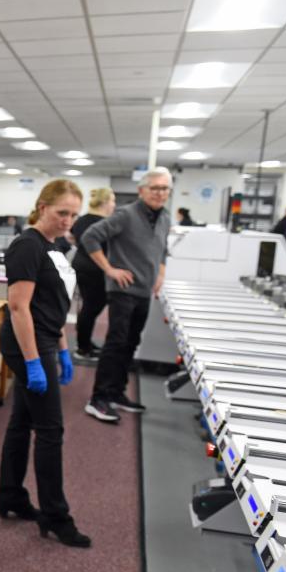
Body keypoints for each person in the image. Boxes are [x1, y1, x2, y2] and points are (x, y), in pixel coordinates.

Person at [0, 179, 90, 548]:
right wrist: (35, 361)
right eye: (62, 212)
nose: (68, 220)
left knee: (23, 422)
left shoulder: (55, 247)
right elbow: (19, 308)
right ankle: (56, 516)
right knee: (51, 429)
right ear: (42, 207)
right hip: (27, 345)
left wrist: (63, 345)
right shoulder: (27, 245)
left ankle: (11, 496)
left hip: (47, 341)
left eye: (74, 214)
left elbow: (53, 303)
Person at [82, 167, 171, 423]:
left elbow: (163, 248)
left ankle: (116, 392)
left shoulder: (165, 218)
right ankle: (98, 398)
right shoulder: (126, 214)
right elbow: (90, 237)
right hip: (122, 291)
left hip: (144, 291)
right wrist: (109, 269)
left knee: (131, 343)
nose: (160, 193)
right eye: (155, 188)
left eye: (164, 188)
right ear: (142, 190)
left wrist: (161, 274)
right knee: (116, 343)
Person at [71, 187, 115, 360]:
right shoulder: (103, 223)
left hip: (82, 266)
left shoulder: (82, 220)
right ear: (104, 202)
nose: (113, 205)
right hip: (94, 269)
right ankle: (83, 348)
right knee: (91, 307)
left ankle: (85, 342)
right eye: (112, 201)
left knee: (89, 307)